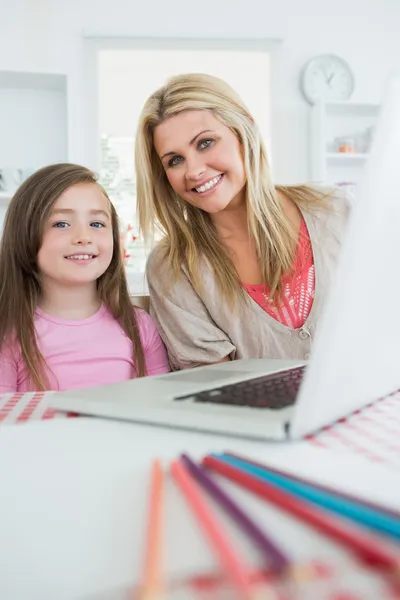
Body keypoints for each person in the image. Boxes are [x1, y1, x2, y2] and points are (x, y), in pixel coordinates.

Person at [135, 73, 351, 371]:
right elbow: (212, 384)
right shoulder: (172, 267)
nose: (194, 170)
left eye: (205, 143)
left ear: (244, 128)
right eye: (174, 160)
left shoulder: (337, 210)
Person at [0, 163, 170, 392]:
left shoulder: (140, 326)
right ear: (24, 235)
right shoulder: (8, 334)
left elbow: (161, 406)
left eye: (97, 223)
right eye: (61, 223)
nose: (83, 237)